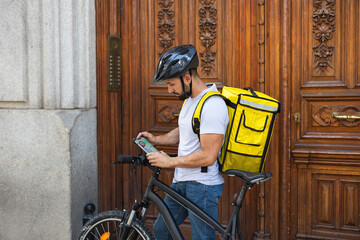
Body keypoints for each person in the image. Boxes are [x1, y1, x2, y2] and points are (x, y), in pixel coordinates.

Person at [137, 44, 229, 240]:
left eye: (171, 84)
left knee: (202, 238)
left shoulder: (213, 105)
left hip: (202, 186)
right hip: (181, 181)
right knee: (162, 231)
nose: (169, 90)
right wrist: (156, 139)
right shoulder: (190, 100)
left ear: (187, 78)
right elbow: (185, 131)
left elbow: (208, 156)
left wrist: (170, 162)